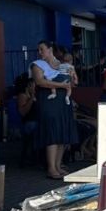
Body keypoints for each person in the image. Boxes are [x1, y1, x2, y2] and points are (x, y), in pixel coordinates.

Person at [31, 41, 76, 179]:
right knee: (52, 133)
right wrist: (61, 85)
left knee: (62, 134)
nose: (40, 52)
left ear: (50, 49)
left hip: (63, 103)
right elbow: (40, 82)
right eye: (38, 49)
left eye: (42, 49)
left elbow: (72, 84)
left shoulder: (63, 66)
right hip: (48, 103)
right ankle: (51, 168)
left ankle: (58, 165)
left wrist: (72, 76)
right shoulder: (37, 65)